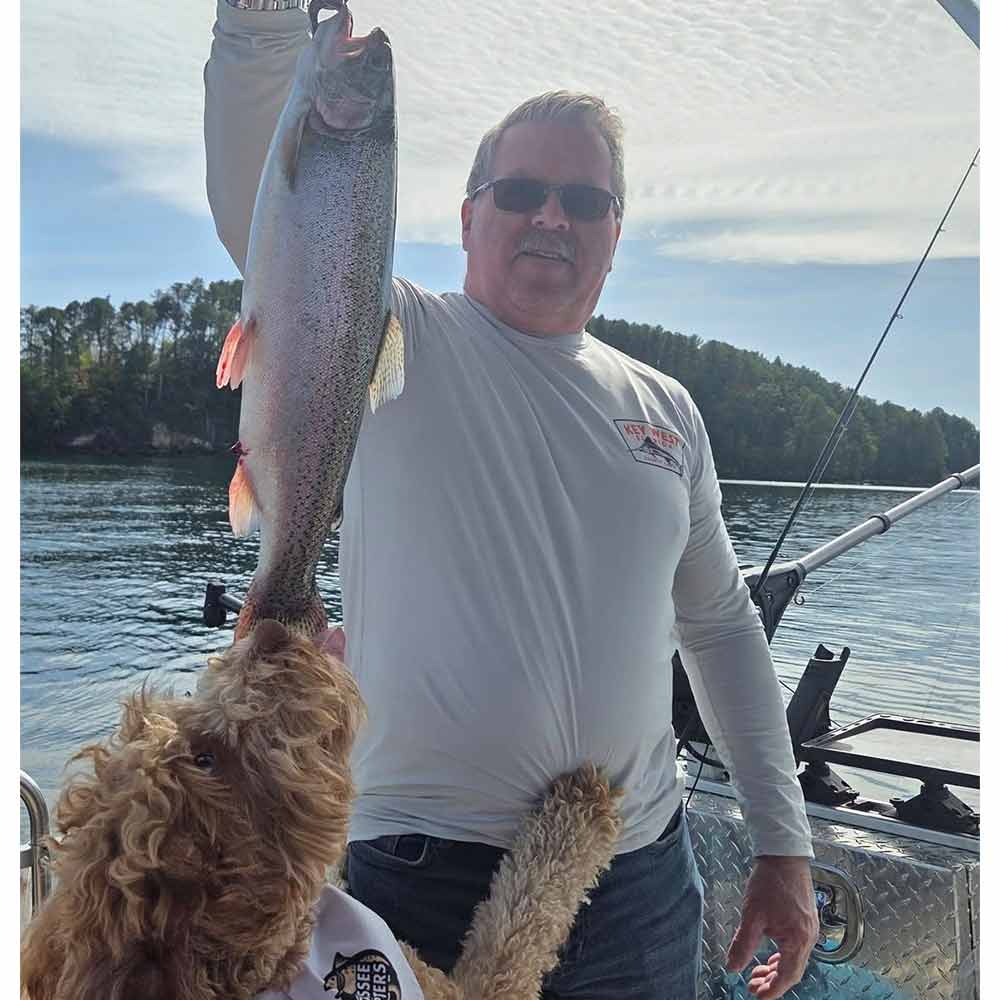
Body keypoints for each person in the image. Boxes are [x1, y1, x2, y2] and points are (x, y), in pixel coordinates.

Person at [204, 4, 819, 998]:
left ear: (616, 233)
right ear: (465, 217)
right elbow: (263, 208)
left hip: (640, 881)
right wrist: (261, 29)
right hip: (419, 878)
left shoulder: (669, 408)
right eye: (522, 190)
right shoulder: (385, 336)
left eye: (585, 200)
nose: (551, 216)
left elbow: (718, 626)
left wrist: (782, 846)